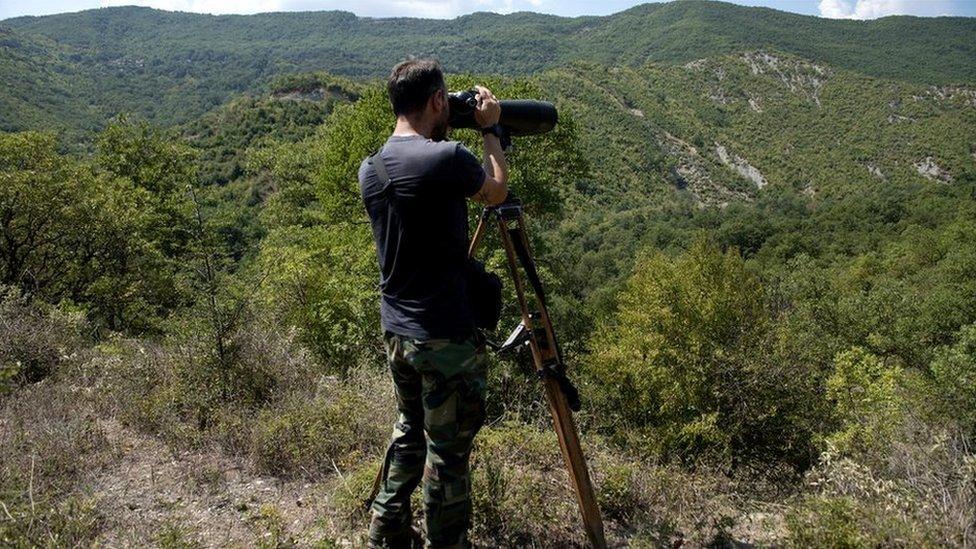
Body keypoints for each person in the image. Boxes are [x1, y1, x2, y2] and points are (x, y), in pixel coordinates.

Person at [358, 58, 509, 548]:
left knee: (409, 430)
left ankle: (387, 531)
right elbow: (497, 191)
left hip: (397, 332)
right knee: (447, 452)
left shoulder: (370, 168)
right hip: (444, 333)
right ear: (438, 102)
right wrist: (491, 131)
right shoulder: (447, 157)